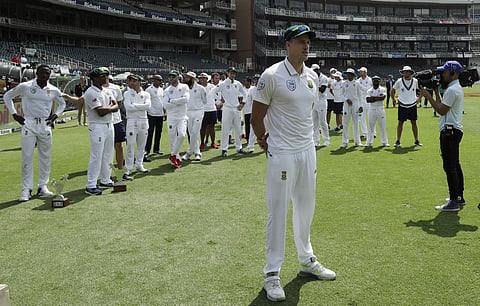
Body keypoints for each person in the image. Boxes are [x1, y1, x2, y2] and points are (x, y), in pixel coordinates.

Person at [251, 24, 336, 303]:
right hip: (282, 152)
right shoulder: (271, 75)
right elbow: (256, 116)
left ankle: (306, 259)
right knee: (278, 211)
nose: (306, 46)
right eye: (300, 41)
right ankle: (271, 274)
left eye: (308, 41)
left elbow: (305, 115)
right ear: (287, 44)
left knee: (305, 207)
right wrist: (265, 142)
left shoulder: (311, 76)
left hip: (307, 150)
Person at [3, 64, 66, 202]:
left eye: (47, 73)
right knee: (27, 157)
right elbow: (7, 96)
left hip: (45, 124)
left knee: (45, 157)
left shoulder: (53, 90)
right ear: (36, 73)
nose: (45, 75)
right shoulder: (25, 86)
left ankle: (43, 186)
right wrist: (14, 114)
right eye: (42, 73)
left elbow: (62, 104)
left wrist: (55, 115)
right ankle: (26, 189)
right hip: (29, 123)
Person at [420, 61, 466, 212]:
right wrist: (436, 92)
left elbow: (441, 110)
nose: (442, 74)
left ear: (452, 73)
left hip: (449, 132)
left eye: (445, 72)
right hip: (453, 130)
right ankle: (459, 196)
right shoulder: (454, 88)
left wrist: (428, 96)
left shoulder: (453, 90)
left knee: (450, 166)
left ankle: (454, 200)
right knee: (455, 164)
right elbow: (443, 106)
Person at [84, 67, 118, 195]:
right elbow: (100, 112)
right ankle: (91, 184)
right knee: (96, 155)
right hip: (97, 125)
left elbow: (117, 106)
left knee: (108, 154)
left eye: (105, 76)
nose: (105, 78)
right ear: (94, 79)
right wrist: (110, 108)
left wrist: (109, 108)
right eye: (102, 76)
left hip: (109, 124)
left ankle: (105, 178)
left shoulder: (107, 91)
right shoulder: (91, 92)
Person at [211, 67, 248, 157]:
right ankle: (224, 149)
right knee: (225, 129)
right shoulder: (223, 83)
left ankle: (239, 148)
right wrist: (220, 99)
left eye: (234, 73)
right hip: (227, 108)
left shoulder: (237, 83)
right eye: (231, 73)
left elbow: (245, 94)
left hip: (237, 109)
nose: (233, 74)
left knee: (238, 129)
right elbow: (212, 92)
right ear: (227, 73)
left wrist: (243, 103)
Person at [123, 74, 151, 178]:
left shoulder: (146, 94)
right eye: (130, 81)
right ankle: (128, 168)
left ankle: (139, 164)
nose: (132, 83)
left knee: (141, 145)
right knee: (130, 144)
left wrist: (135, 105)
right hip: (132, 121)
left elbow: (148, 106)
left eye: (134, 81)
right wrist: (141, 107)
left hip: (143, 120)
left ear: (139, 82)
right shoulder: (127, 93)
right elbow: (128, 108)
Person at [163, 70, 190, 168]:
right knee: (172, 138)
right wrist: (179, 101)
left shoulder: (184, 87)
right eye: (170, 77)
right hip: (171, 117)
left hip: (182, 116)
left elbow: (186, 99)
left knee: (182, 135)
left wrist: (173, 101)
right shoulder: (167, 90)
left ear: (178, 77)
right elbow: (165, 105)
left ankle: (172, 155)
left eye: (173, 76)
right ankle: (176, 157)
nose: (171, 78)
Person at [391, 66, 422, 147]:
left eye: (407, 71)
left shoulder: (415, 81)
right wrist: (394, 99)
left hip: (412, 104)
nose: (405, 73)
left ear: (410, 72)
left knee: (414, 123)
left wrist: (419, 98)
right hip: (402, 105)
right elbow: (392, 90)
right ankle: (398, 140)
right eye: (404, 72)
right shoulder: (399, 81)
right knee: (400, 123)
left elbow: (422, 89)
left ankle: (416, 140)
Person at [183, 71, 207, 161]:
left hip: (198, 112)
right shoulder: (185, 88)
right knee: (191, 133)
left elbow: (205, 101)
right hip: (188, 112)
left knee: (194, 132)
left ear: (193, 79)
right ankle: (197, 153)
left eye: (188, 77)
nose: (186, 79)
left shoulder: (201, 88)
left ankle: (189, 152)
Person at [340, 68, 363, 148]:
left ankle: (357, 141)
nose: (348, 75)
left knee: (356, 123)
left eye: (350, 74)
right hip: (346, 105)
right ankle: (344, 142)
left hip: (355, 104)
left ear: (353, 75)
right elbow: (341, 94)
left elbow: (360, 95)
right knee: (345, 123)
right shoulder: (344, 83)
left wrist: (361, 106)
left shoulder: (357, 83)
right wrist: (346, 99)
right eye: (347, 74)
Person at [144, 75, 165, 160]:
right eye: (159, 80)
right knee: (150, 133)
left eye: (161, 80)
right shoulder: (149, 90)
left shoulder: (161, 89)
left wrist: (164, 112)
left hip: (160, 114)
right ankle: (147, 150)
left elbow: (162, 102)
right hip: (152, 114)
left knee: (158, 133)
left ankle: (156, 149)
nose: (160, 81)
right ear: (154, 80)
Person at [366, 76, 389, 147]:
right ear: (372, 82)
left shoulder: (383, 89)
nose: (376, 82)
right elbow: (368, 100)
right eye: (374, 81)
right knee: (370, 126)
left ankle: (384, 142)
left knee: (382, 126)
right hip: (372, 109)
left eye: (377, 81)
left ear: (379, 81)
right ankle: (369, 142)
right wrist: (377, 98)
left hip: (380, 109)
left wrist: (373, 98)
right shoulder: (369, 90)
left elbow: (382, 98)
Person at [311, 64, 330, 147]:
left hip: (321, 101)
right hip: (314, 102)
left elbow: (322, 89)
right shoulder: (312, 78)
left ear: (318, 70)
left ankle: (326, 140)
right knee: (314, 123)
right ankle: (316, 140)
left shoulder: (324, 78)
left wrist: (313, 86)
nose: (313, 72)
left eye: (315, 71)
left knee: (322, 122)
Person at [199, 72, 219, 150]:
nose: (202, 79)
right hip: (202, 110)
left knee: (212, 127)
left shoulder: (212, 87)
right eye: (201, 78)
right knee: (203, 127)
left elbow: (218, 95)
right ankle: (202, 143)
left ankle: (213, 142)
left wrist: (218, 103)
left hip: (212, 109)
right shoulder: (198, 88)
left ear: (207, 79)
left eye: (204, 78)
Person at [244, 74, 260, 152]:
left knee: (268, 129)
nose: (257, 81)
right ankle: (250, 146)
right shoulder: (251, 90)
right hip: (254, 111)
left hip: (265, 112)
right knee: (253, 130)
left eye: (258, 79)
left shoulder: (265, 88)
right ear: (253, 80)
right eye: (255, 79)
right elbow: (249, 102)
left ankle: (268, 145)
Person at [357, 67, 371, 138]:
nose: (360, 73)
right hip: (361, 101)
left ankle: (373, 133)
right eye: (360, 72)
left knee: (370, 117)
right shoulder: (358, 80)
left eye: (361, 72)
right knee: (361, 117)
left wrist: (360, 86)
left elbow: (368, 89)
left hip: (368, 100)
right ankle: (364, 133)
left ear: (365, 72)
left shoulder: (370, 80)